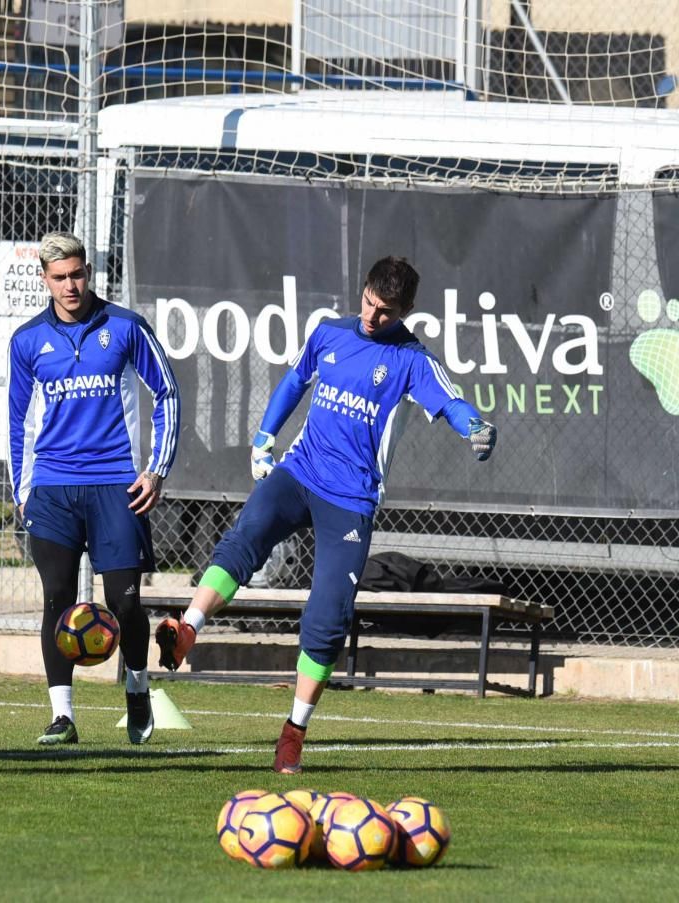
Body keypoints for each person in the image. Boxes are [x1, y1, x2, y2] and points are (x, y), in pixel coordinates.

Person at [155, 256, 498, 773]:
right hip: (299, 472)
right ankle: (187, 629)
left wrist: (476, 428)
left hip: (352, 499)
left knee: (328, 615)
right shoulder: (328, 333)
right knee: (244, 537)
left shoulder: (412, 360)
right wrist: (265, 437)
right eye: (367, 301)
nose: (371, 316)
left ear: (406, 311)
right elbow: (294, 382)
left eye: (385, 311)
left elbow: (452, 404)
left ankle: (293, 731)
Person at [8, 231, 180, 746]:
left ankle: (136, 685)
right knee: (57, 600)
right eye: (59, 277)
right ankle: (62, 717)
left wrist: (156, 470)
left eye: (78, 274)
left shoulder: (126, 327)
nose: (70, 285)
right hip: (54, 490)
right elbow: (19, 422)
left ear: (89, 274)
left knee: (123, 603)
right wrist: (22, 489)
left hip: (116, 488)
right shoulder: (26, 341)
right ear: (44, 279)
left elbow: (167, 392)